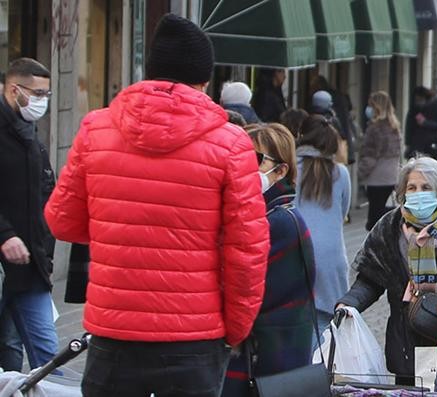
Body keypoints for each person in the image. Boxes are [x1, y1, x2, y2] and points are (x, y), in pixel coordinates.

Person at [44, 14, 269, 396]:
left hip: (113, 330)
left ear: (149, 72)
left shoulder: (97, 128)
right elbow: (247, 253)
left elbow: (62, 221)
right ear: (204, 81)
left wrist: (118, 228)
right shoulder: (231, 144)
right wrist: (236, 328)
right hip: (194, 334)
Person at [336, 157, 437, 384]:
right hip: (405, 345)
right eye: (412, 187)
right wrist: (348, 304)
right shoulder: (388, 228)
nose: (419, 193)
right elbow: (371, 280)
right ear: (403, 192)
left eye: (426, 187)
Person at [222, 124, 316, 396]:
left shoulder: (278, 221)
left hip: (265, 360)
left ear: (281, 170)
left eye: (255, 159)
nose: (244, 167)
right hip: (263, 356)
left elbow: (250, 292)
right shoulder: (266, 214)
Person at [0, 57, 57, 371]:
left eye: (46, 95)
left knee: (47, 356)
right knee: (8, 349)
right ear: (13, 90)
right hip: (7, 260)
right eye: (36, 94)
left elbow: (43, 196)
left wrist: (44, 251)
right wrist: (5, 235)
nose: (41, 102)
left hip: (31, 265)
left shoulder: (30, 135)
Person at [294, 116, 352, 340]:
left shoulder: (290, 169)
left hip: (296, 252)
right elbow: (344, 212)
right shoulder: (340, 173)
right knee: (326, 333)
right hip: (331, 258)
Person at [358, 91, 402, 231]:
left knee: (374, 218)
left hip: (376, 178)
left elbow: (370, 156)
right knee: (382, 213)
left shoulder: (374, 129)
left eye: (371, 105)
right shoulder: (394, 127)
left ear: (377, 107)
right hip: (391, 177)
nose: (368, 109)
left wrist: (359, 174)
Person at [404, 86, 437, 163]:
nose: (418, 102)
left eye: (420, 100)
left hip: (432, 146)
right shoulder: (414, 108)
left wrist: (425, 122)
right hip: (417, 146)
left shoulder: (435, 104)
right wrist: (408, 144)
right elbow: (409, 126)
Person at [310, 90, 348, 164]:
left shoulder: (310, 119)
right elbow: (342, 137)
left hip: (311, 157)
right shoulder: (333, 120)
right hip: (330, 157)